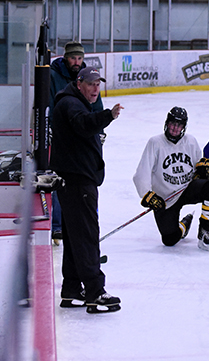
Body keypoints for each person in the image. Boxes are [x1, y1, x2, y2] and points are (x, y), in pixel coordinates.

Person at [50, 67, 123, 313]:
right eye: (90, 84)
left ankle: (71, 289)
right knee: (87, 236)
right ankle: (95, 292)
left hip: (75, 180)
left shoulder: (72, 102)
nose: (95, 89)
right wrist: (107, 116)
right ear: (79, 83)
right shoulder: (71, 104)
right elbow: (83, 125)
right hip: (78, 181)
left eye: (98, 85)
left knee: (73, 237)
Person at [133, 107, 209, 251]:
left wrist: (203, 172)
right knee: (169, 239)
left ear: (183, 127)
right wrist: (147, 195)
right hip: (166, 198)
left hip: (187, 189)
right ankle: (184, 226)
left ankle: (205, 231)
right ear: (167, 123)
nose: (175, 128)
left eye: (179, 125)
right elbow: (141, 174)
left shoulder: (190, 141)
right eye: (173, 123)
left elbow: (197, 167)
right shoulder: (155, 143)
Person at [49, 42, 105, 244]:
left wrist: (100, 131)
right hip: (65, 135)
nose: (76, 62)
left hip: (85, 134)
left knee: (88, 182)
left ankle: (90, 225)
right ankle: (58, 227)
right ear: (65, 57)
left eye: (80, 58)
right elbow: (50, 105)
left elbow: (97, 106)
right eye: (73, 58)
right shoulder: (54, 75)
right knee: (63, 179)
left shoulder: (87, 75)